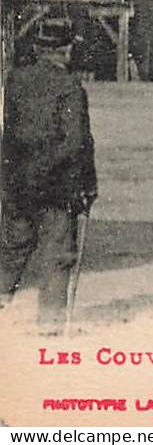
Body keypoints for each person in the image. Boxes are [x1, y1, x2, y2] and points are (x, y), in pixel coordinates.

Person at [1, 17, 97, 332]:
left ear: (39, 49)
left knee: (14, 245)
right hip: (55, 185)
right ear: (66, 50)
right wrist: (88, 185)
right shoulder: (70, 87)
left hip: (16, 179)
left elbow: (10, 134)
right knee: (58, 252)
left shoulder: (14, 80)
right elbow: (77, 143)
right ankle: (51, 325)